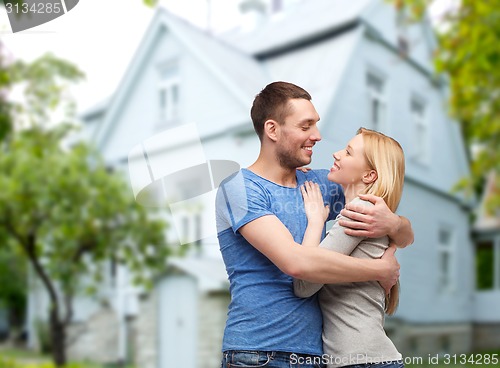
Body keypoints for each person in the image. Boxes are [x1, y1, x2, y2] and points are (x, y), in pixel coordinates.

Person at [215, 81, 413, 368]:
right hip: (258, 354)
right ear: (272, 130)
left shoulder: (320, 185)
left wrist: (394, 223)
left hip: (317, 357)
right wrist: (379, 269)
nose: (317, 136)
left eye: (316, 125)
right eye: (306, 126)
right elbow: (297, 264)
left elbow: (395, 222)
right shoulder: (240, 189)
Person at [294, 128, 406, 368]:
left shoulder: (359, 212)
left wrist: (316, 221)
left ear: (369, 176)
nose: (336, 154)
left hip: (361, 360)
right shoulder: (371, 212)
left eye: (348, 152)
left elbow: (305, 284)